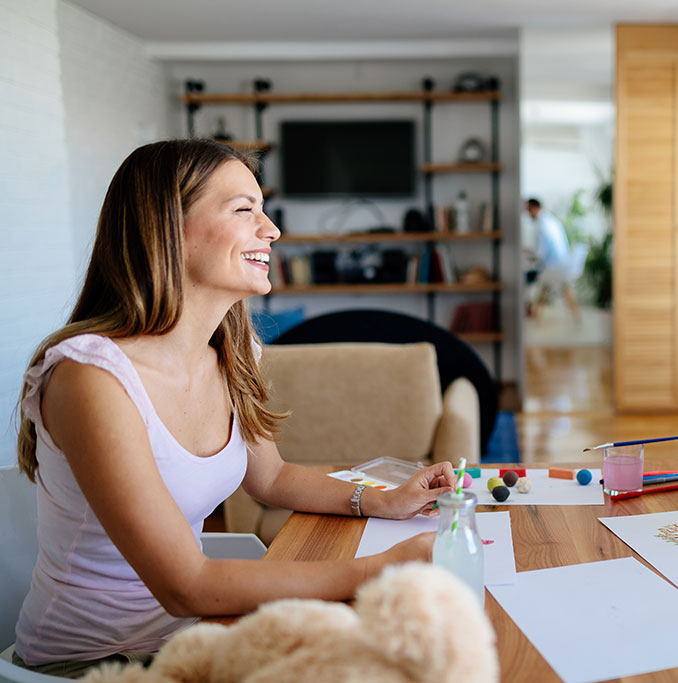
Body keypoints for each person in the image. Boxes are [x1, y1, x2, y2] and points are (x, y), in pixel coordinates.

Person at [13, 139, 457, 678]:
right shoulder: (91, 379)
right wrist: (381, 569)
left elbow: (269, 479)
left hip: (194, 636)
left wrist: (383, 501)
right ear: (166, 228)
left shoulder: (231, 351)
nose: (270, 230)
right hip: (92, 666)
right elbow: (186, 585)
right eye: (244, 209)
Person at [523, 198, 579, 320]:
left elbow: (540, 254)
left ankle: (526, 309)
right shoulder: (552, 221)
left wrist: (528, 254)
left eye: (528, 210)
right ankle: (528, 308)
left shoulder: (541, 224)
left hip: (552, 269)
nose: (527, 214)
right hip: (563, 266)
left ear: (534, 208)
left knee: (523, 276)